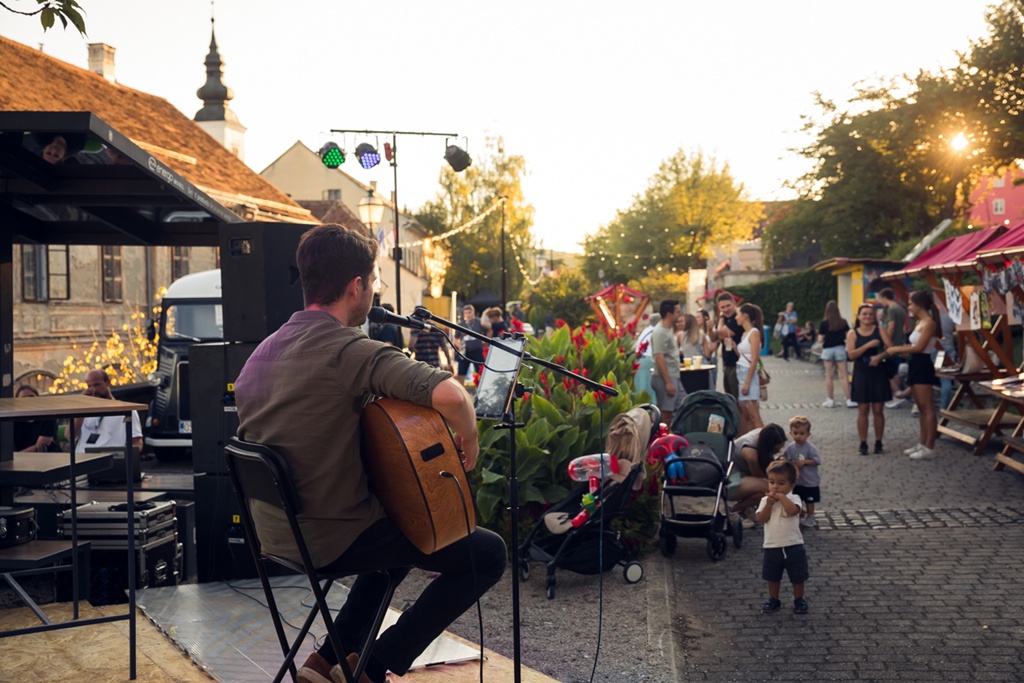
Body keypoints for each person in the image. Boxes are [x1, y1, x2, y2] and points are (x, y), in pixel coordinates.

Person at [232, 225, 506, 683]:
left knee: (399, 530)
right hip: (331, 537)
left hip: (277, 534)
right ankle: (374, 666)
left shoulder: (260, 354)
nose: (375, 289)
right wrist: (470, 442)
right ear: (356, 286)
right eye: (375, 279)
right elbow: (454, 398)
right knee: (488, 553)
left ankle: (326, 661)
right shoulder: (347, 349)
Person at [874, 290, 941, 460]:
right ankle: (922, 442)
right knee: (920, 406)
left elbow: (919, 347)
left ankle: (930, 446)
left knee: (927, 407)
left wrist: (896, 349)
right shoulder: (919, 321)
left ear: (919, 305)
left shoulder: (929, 323)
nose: (909, 307)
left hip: (923, 363)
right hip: (915, 363)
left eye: (911, 304)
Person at [756, 460, 809, 615]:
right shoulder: (765, 501)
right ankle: (774, 599)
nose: (775, 487)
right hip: (772, 545)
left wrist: (781, 498)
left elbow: (793, 511)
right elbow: (762, 518)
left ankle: (799, 599)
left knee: (797, 576)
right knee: (772, 576)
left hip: (793, 544)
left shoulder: (794, 498)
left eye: (781, 483)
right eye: (772, 482)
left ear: (792, 485)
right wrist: (769, 504)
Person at [847, 303, 893, 455]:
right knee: (863, 409)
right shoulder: (852, 333)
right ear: (859, 316)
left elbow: (891, 349)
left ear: (874, 318)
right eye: (864, 314)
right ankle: (863, 442)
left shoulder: (880, 330)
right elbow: (851, 355)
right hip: (861, 372)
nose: (867, 317)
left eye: (870, 314)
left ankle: (878, 441)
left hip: (878, 372)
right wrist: (868, 345)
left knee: (878, 409)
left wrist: (879, 357)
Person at [74, 369, 144, 454]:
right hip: (82, 459)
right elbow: (70, 436)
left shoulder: (125, 412)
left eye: (97, 385)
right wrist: (81, 408)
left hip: (111, 459)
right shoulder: (83, 410)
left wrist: (126, 457)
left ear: (108, 383)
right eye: (89, 386)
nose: (93, 390)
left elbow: (136, 441)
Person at [729, 423, 787, 520]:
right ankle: (733, 510)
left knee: (765, 491)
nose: (778, 452)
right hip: (732, 480)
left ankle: (745, 508)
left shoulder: (761, 434)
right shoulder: (750, 453)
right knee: (771, 488)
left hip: (742, 475)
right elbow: (759, 476)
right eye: (776, 449)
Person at [780, 416, 821, 528]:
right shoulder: (790, 447)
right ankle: (798, 515)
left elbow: (817, 460)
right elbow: (786, 457)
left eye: (802, 434)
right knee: (797, 498)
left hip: (809, 481)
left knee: (809, 500)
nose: (798, 436)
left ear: (808, 434)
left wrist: (805, 462)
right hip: (797, 481)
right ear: (791, 433)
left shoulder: (810, 448)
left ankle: (811, 516)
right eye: (795, 433)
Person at [652, 300, 685, 429]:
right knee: (666, 414)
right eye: (677, 312)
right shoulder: (660, 331)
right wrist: (668, 382)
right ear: (669, 314)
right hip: (665, 377)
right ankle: (659, 444)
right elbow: (659, 357)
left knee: (683, 404)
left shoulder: (668, 329)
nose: (680, 314)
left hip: (673, 375)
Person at [817, 300, 854, 408]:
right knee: (844, 376)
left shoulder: (824, 323)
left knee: (829, 376)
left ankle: (830, 400)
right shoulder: (842, 322)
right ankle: (849, 399)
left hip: (828, 350)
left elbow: (820, 339)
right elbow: (849, 336)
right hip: (840, 349)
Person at [736, 303, 765, 436]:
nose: (736, 317)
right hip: (741, 371)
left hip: (748, 374)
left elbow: (754, 359)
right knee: (745, 413)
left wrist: (747, 382)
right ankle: (747, 440)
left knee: (753, 413)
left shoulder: (754, 333)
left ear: (745, 316)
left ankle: (767, 440)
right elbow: (744, 355)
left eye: (738, 314)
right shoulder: (744, 334)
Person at [878, 288, 909, 408]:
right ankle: (897, 395)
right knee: (894, 370)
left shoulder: (891, 310)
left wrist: (886, 342)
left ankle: (896, 395)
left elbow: (891, 327)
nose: (881, 302)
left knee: (888, 370)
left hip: (892, 344)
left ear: (885, 297)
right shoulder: (900, 308)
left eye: (881, 299)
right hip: (899, 342)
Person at [13, 384, 59, 453]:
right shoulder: (12, 420)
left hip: (48, 457)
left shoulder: (48, 417)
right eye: (23, 398)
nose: (28, 400)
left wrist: (17, 457)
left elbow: (40, 446)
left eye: (31, 397)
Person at [714, 292, 744, 399]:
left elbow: (720, 334)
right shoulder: (727, 319)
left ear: (734, 303)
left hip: (738, 364)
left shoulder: (737, 318)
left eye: (728, 306)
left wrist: (721, 318)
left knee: (737, 399)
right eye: (722, 307)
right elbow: (715, 336)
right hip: (727, 363)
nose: (726, 309)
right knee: (730, 397)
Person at [455, 304, 490, 385]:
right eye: (466, 313)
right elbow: (455, 338)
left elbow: (489, 330)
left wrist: (486, 342)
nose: (468, 315)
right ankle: (461, 393)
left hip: (477, 351)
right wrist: (459, 346)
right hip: (465, 351)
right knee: (461, 373)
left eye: (469, 312)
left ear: (473, 313)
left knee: (480, 373)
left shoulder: (479, 323)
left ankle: (480, 390)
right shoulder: (461, 324)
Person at [633, 313, 660, 401]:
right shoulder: (656, 332)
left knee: (641, 386)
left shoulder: (646, 330)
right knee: (649, 388)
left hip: (640, 360)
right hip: (649, 361)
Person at [697, 309, 719, 391]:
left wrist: (703, 348)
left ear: (705, 318)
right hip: (699, 361)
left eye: (698, 317)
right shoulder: (696, 332)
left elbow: (713, 347)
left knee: (711, 385)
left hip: (710, 360)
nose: (696, 319)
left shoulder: (712, 331)